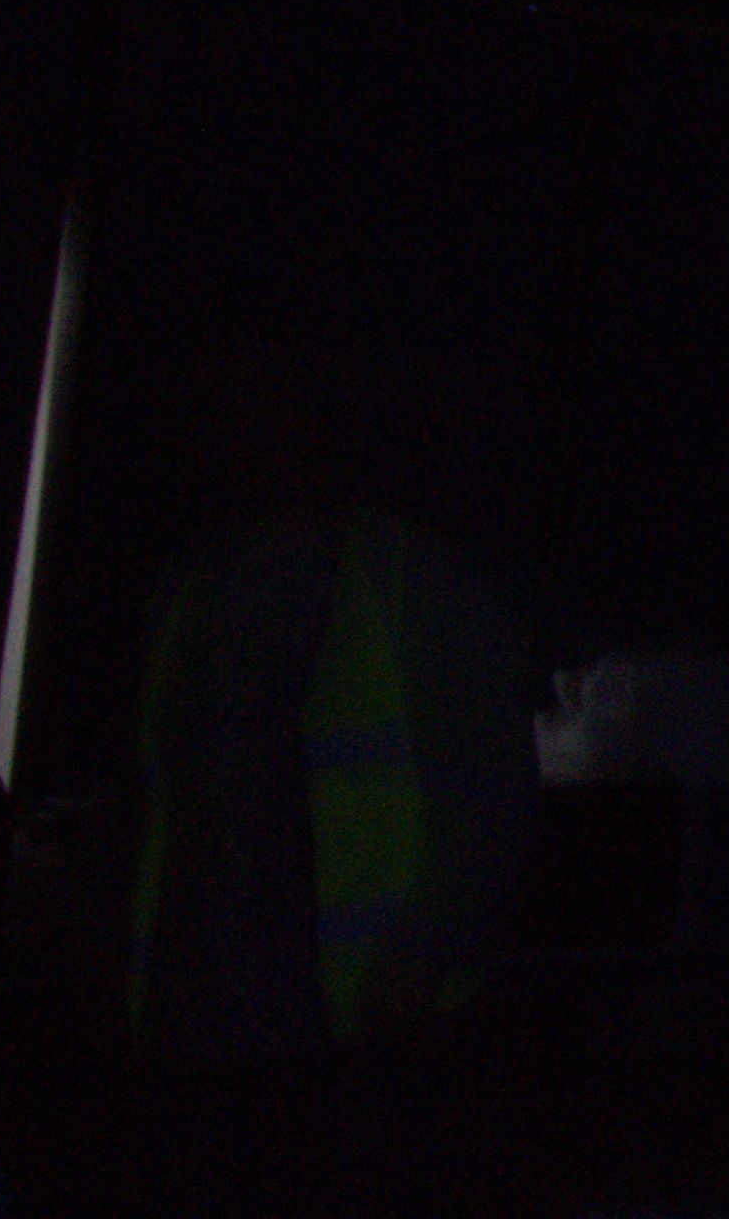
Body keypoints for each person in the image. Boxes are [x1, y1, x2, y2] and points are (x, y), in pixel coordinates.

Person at [125, 508, 539, 1217]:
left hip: (364, 1034)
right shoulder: (190, 579)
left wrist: (423, 950)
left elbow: (491, 786)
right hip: (199, 1036)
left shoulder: (407, 573)